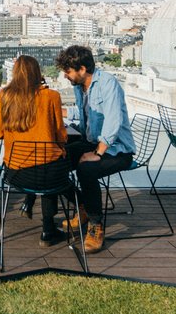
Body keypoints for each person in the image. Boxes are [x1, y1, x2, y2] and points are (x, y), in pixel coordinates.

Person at [54, 45, 135, 254]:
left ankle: (96, 225)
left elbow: (113, 121)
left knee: (86, 170)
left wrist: (98, 152)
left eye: (68, 71)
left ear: (82, 69)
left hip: (117, 149)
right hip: (91, 141)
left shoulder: (108, 83)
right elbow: (85, 116)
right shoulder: (80, 87)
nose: (66, 75)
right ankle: (83, 206)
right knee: (53, 161)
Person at [0, 55, 69, 248]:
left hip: (17, 174)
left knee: (43, 166)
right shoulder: (52, 97)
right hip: (48, 174)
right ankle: (48, 231)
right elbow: (61, 135)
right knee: (51, 168)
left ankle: (28, 203)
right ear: (38, 72)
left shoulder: (5, 96)